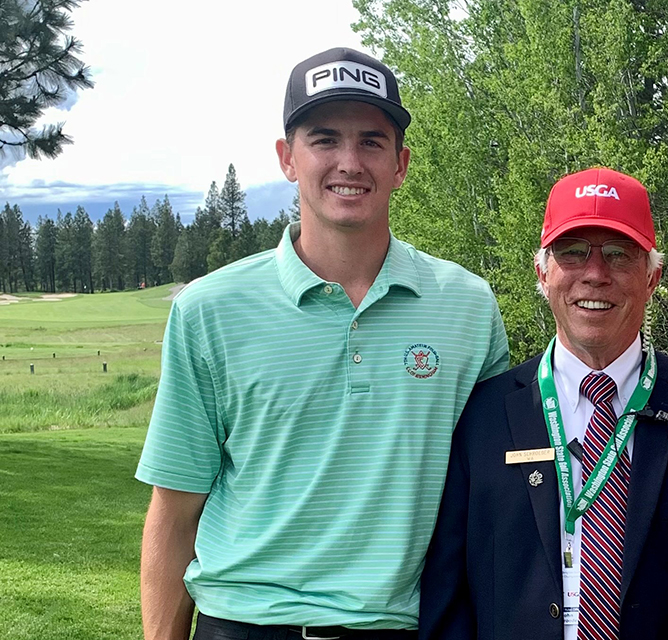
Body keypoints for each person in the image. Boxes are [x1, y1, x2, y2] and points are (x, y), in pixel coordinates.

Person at [136, 47, 509, 640]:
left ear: (401, 164)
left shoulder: (466, 306)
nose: (349, 162)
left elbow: (491, 501)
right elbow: (175, 512)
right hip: (245, 624)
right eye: (324, 140)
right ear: (287, 158)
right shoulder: (209, 309)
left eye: (371, 142)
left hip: (399, 630)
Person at [419, 167, 668, 640]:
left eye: (618, 254)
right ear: (542, 273)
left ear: (652, 277)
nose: (595, 274)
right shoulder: (481, 416)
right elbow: (449, 599)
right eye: (572, 252)